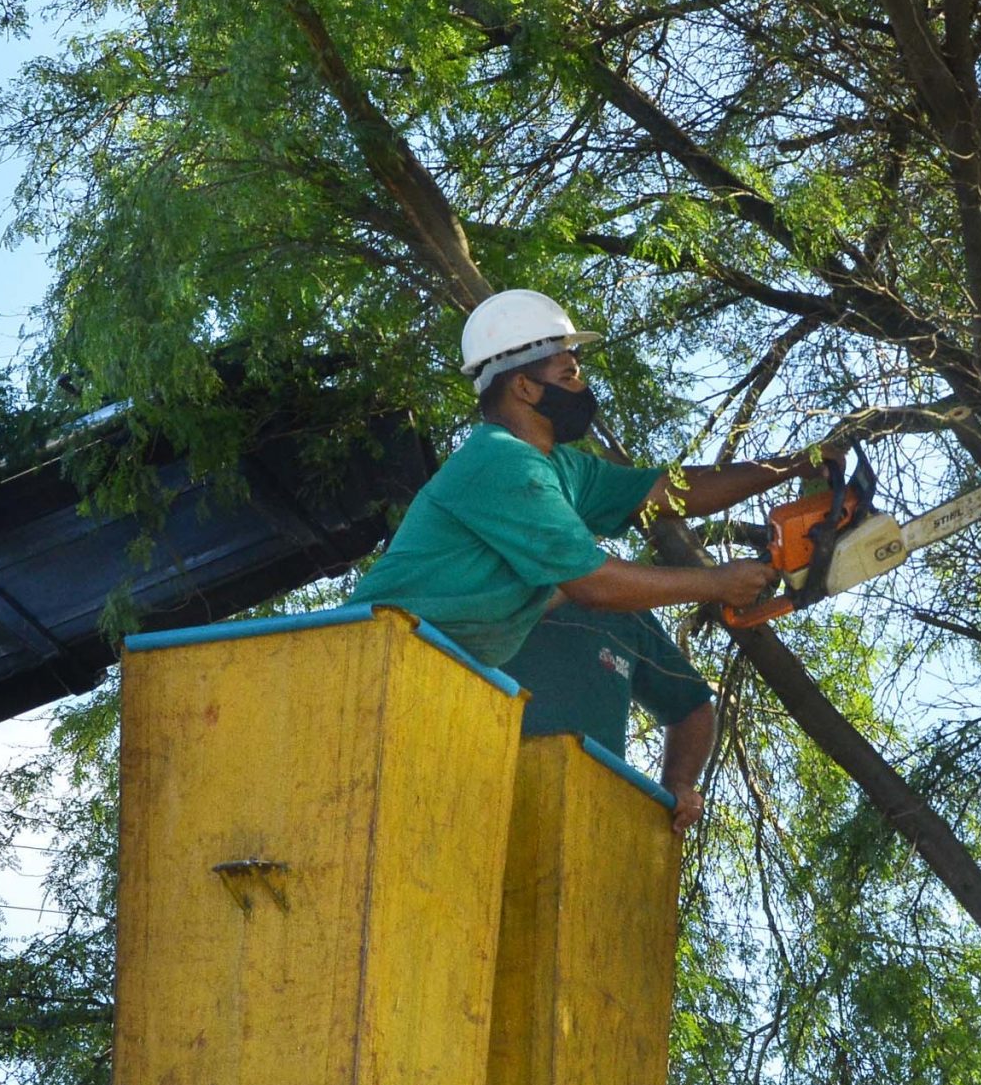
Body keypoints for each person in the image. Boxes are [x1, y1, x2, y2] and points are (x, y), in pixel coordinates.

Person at [350, 288, 820, 832]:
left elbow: (672, 492)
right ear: (524, 386)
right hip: (369, 658)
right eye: (569, 374)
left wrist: (794, 465)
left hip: (424, 672)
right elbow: (593, 584)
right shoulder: (501, 465)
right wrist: (717, 583)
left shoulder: (561, 469)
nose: (583, 388)